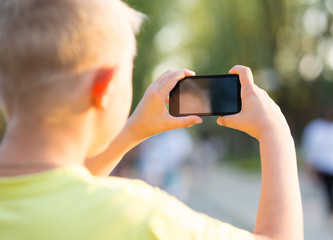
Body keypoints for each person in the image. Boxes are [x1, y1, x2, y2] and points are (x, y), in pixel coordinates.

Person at [0, 0, 303, 239]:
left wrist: (133, 131)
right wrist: (276, 133)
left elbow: (54, 188)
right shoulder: (139, 218)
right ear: (104, 88)